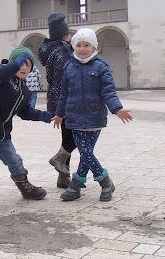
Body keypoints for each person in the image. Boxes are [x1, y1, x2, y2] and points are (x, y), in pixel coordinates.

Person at [0, 47, 52, 214]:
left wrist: (43, 115)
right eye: (21, 63)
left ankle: (26, 189)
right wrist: (12, 67)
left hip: (3, 133)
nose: (24, 67)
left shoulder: (24, 90)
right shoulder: (2, 79)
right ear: (13, 64)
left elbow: (24, 111)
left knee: (15, 161)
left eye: (28, 64)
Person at [52, 28, 133, 202]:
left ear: (94, 47)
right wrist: (59, 114)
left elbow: (108, 92)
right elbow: (64, 94)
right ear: (74, 47)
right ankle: (99, 183)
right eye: (78, 45)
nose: (82, 49)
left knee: (86, 153)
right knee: (86, 152)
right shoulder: (68, 67)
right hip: (74, 119)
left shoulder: (101, 66)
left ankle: (80, 186)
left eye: (86, 45)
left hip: (95, 117)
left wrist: (117, 109)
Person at [38, 12, 76, 188]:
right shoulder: (62, 51)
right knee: (75, 135)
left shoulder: (52, 50)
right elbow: (66, 79)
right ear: (65, 34)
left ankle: (63, 178)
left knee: (67, 135)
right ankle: (59, 160)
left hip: (55, 97)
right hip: (65, 98)